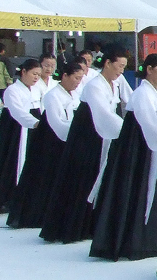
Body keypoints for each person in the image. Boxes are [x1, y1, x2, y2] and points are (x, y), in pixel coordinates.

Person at [89, 53, 157, 261]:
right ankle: (134, 240)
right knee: (137, 188)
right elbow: (148, 120)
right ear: (149, 69)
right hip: (139, 148)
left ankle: (155, 237)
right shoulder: (142, 93)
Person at [39, 49, 128, 244]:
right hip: (86, 136)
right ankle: (71, 226)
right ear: (107, 63)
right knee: (81, 179)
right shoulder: (95, 85)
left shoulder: (114, 84)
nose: (121, 70)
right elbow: (103, 113)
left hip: (101, 135)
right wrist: (127, 130)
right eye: (120, 66)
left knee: (96, 177)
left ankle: (90, 223)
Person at [7, 60, 85, 229]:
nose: (78, 82)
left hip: (66, 138)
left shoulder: (74, 94)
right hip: (50, 141)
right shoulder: (53, 95)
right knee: (44, 178)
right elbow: (56, 122)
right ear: (65, 76)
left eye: (81, 79)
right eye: (76, 78)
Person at [0, 58, 42, 216]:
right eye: (34, 74)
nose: (36, 77)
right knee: (9, 162)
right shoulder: (12, 90)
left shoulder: (36, 90)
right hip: (15, 130)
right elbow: (17, 112)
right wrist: (36, 123)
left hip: (32, 128)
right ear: (23, 72)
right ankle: (3, 199)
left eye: (38, 74)